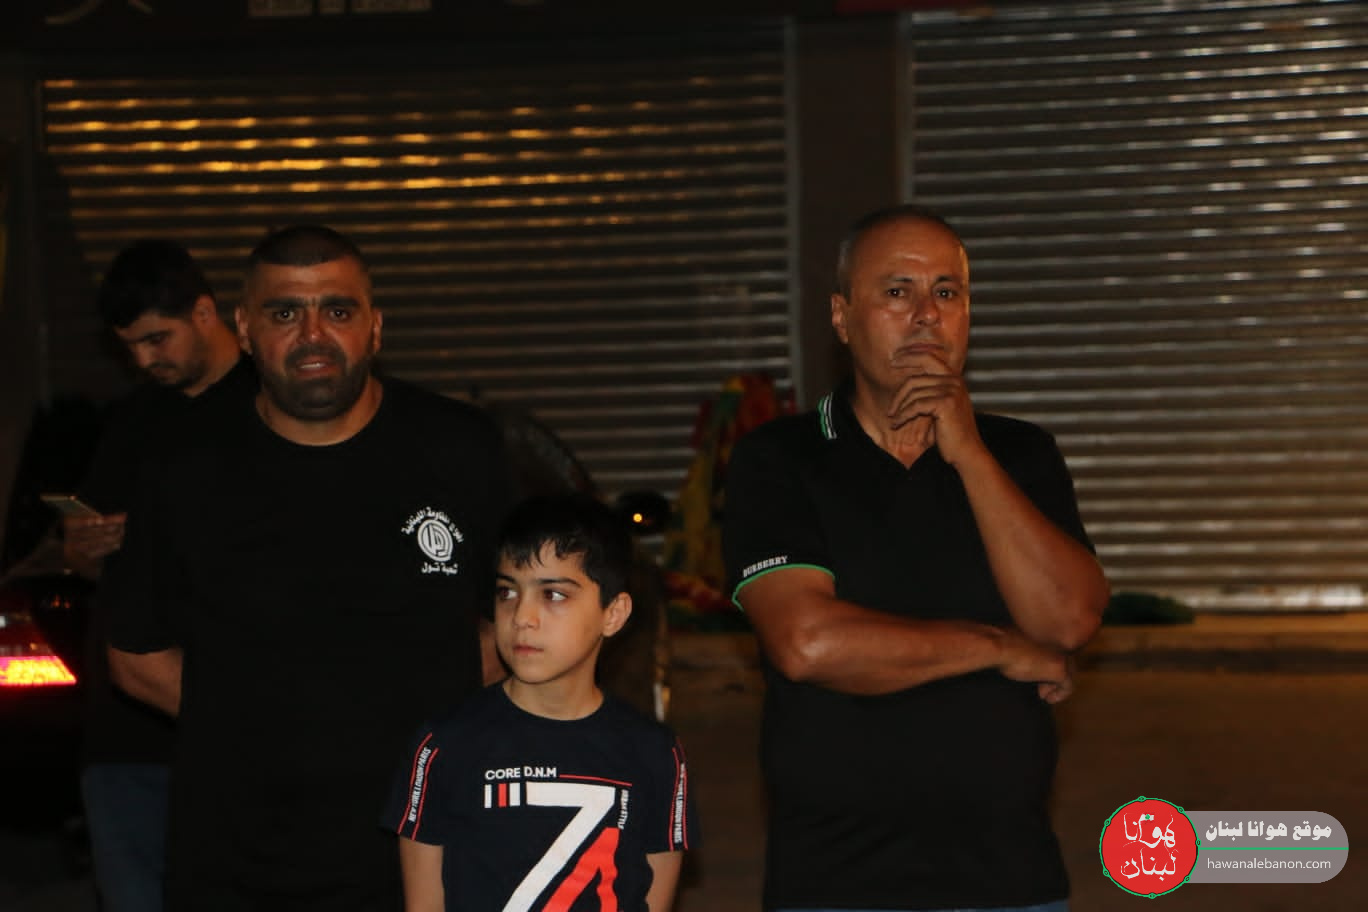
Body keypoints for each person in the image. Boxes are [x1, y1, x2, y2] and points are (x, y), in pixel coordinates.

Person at [103, 224, 510, 911]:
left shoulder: (459, 447)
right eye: (285, 312)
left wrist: (407, 727)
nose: (313, 335)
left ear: (375, 327)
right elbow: (135, 654)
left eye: (338, 310)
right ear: (245, 328)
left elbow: (524, 623)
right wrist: (266, 730)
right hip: (238, 866)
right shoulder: (183, 463)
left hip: (429, 859)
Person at [722, 205, 1110, 912]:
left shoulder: (1021, 454)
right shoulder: (780, 459)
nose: (927, 314)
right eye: (897, 291)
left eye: (947, 292)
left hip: (1008, 879)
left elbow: (1068, 622)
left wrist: (970, 455)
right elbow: (808, 643)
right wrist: (999, 647)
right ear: (842, 318)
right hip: (835, 882)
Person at [385, 493, 697, 912]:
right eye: (507, 592)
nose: (522, 617)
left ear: (613, 613)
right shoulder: (444, 746)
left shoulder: (654, 753)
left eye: (553, 595)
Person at [69, 239, 252, 912]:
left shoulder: (273, 406)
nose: (145, 361)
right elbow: (88, 556)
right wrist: (83, 547)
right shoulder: (134, 420)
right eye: (131, 348)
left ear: (205, 312)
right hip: (126, 738)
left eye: (156, 339)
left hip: (240, 730)